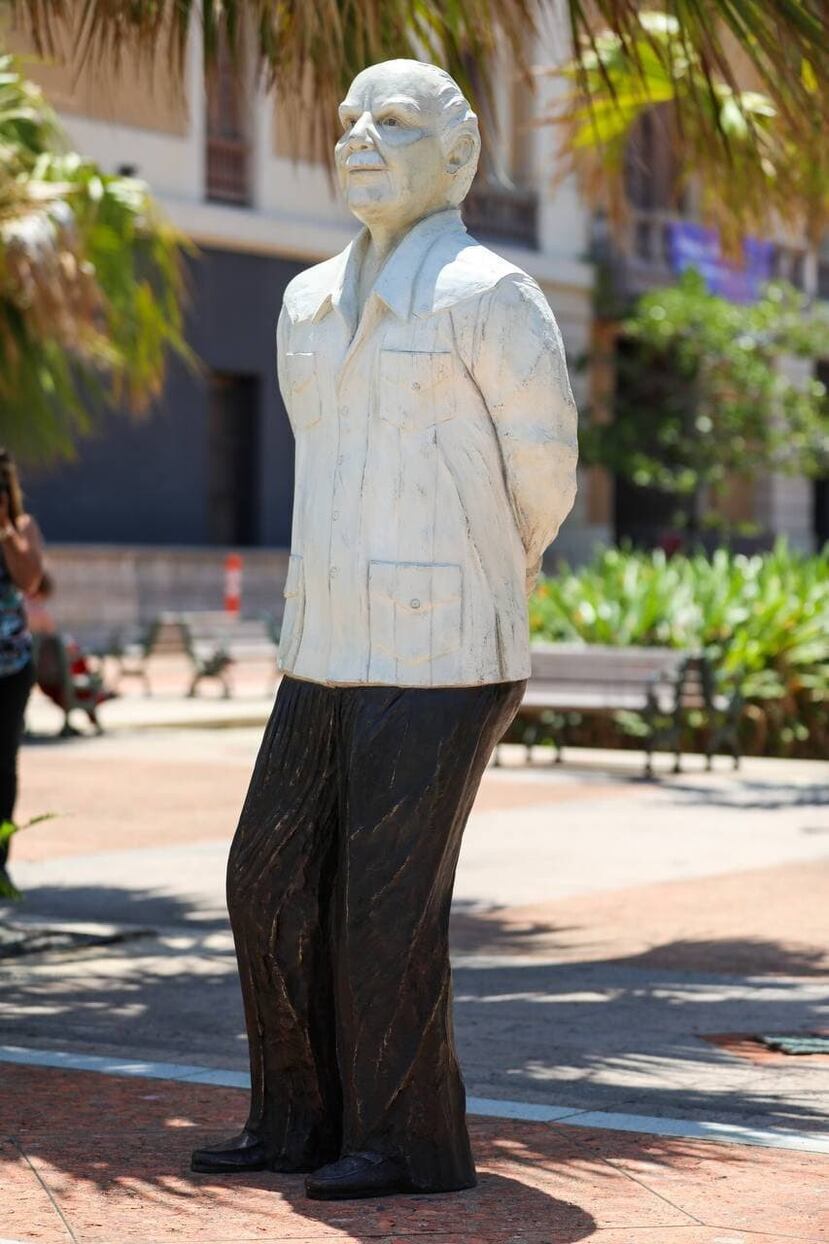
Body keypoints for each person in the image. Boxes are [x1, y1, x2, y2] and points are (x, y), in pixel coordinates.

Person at [192, 59, 578, 1200]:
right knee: (263, 878)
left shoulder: (491, 295)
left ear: (457, 159)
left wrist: (466, 570)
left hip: (445, 646)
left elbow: (542, 478)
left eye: (393, 123)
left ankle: (409, 1138)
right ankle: (297, 1115)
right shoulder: (305, 298)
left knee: (384, 907)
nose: (358, 138)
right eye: (347, 121)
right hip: (326, 641)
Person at [0, 449, 44, 887]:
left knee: (3, 765)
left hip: (11, 668)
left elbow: (31, 579)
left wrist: (6, 532)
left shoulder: (23, 528)